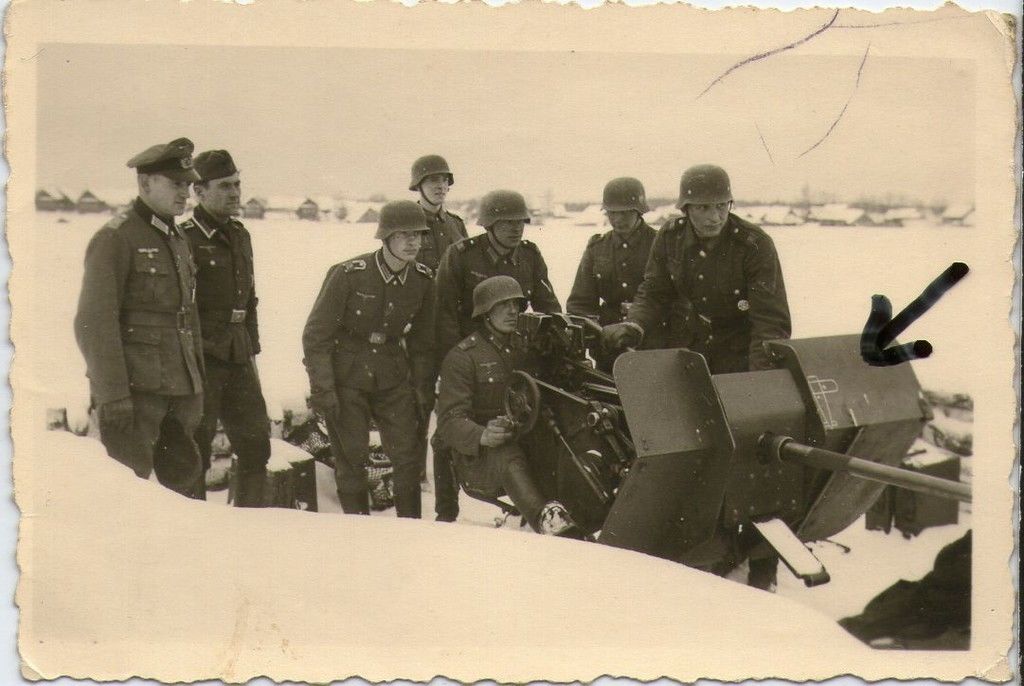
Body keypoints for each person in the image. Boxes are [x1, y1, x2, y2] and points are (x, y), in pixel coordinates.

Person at [602, 163, 792, 590]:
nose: (713, 216)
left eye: (720, 206)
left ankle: (764, 564)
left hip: (743, 353)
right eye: (702, 207)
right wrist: (636, 325)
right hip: (690, 352)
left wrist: (756, 385)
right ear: (686, 209)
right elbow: (654, 292)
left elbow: (770, 322)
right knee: (694, 449)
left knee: (750, 456)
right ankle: (704, 541)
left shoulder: (754, 244)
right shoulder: (669, 239)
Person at [73, 137, 206, 498]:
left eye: (188, 185)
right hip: (136, 391)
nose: (185, 194)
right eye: (176, 184)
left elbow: (187, 315)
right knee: (128, 492)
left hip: (179, 388)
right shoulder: (117, 238)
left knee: (179, 489)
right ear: (145, 183)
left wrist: (197, 382)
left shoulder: (177, 238)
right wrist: (113, 394)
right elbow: (93, 323)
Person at [432, 189, 562, 522]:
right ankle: (446, 514)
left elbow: (548, 306)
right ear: (489, 225)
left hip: (508, 352)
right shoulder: (462, 254)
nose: (515, 229)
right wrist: (463, 358)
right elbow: (445, 311)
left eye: (520, 222)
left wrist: (560, 343)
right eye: (506, 223)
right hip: (470, 351)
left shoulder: (530, 256)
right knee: (447, 436)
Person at [302, 200, 436, 517]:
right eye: (403, 234)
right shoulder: (348, 274)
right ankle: (357, 531)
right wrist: (324, 388)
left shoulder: (423, 279)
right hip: (348, 373)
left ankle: (411, 530)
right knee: (351, 457)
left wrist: (420, 388)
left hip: (393, 373)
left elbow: (423, 341)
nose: (412, 242)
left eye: (417, 234)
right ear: (385, 237)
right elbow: (316, 335)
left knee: (407, 456)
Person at [435, 276, 576, 536]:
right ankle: (546, 522)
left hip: (525, 442)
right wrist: (482, 435)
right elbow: (449, 422)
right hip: (478, 458)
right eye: (503, 305)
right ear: (485, 313)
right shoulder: (464, 357)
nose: (513, 310)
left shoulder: (527, 347)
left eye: (516, 304)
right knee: (506, 453)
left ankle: (573, 514)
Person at [179, 150, 271, 506]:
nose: (235, 193)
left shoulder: (239, 234)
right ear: (199, 193)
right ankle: (193, 530)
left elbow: (249, 299)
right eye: (225, 186)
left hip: (238, 353)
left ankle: (251, 524)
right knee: (194, 449)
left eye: (237, 184)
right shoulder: (186, 237)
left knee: (255, 443)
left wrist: (251, 345)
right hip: (203, 356)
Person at [407, 154, 469, 486]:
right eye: (433, 181)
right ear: (418, 185)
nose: (440, 186)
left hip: (453, 328)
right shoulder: (407, 220)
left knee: (454, 401)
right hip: (418, 329)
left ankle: (451, 473)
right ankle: (414, 472)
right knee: (418, 400)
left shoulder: (456, 224)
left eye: (444, 180)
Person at [566, 177, 666, 372]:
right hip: (610, 348)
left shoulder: (661, 244)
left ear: (639, 211)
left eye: (625, 213)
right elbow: (581, 302)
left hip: (653, 344)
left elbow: (674, 298)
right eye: (612, 213)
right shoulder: (598, 247)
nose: (618, 220)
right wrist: (596, 334)